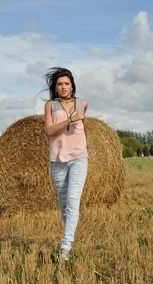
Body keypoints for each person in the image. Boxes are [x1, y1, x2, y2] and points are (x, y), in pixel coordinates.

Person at [44, 67, 88, 260]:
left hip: (79, 158)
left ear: (72, 85)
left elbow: (81, 128)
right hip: (57, 160)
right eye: (60, 84)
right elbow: (49, 131)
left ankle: (65, 248)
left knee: (72, 201)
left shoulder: (83, 104)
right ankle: (68, 237)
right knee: (64, 205)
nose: (63, 87)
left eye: (66, 83)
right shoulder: (50, 105)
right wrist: (70, 119)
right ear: (55, 87)